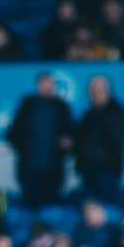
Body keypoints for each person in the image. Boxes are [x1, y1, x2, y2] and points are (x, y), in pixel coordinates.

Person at [5, 72, 75, 209]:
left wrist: (67, 145)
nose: (48, 86)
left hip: (53, 170)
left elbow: (71, 135)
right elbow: (12, 134)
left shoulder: (62, 107)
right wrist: (25, 152)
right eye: (44, 83)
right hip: (30, 170)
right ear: (38, 85)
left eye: (51, 83)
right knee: (31, 208)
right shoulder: (27, 105)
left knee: (53, 209)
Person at [74, 75, 124, 204]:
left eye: (99, 90)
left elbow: (114, 142)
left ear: (108, 91)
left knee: (107, 207)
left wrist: (101, 158)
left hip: (107, 172)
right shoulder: (88, 114)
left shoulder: (117, 113)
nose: (95, 93)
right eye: (93, 90)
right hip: (88, 171)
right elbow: (81, 140)